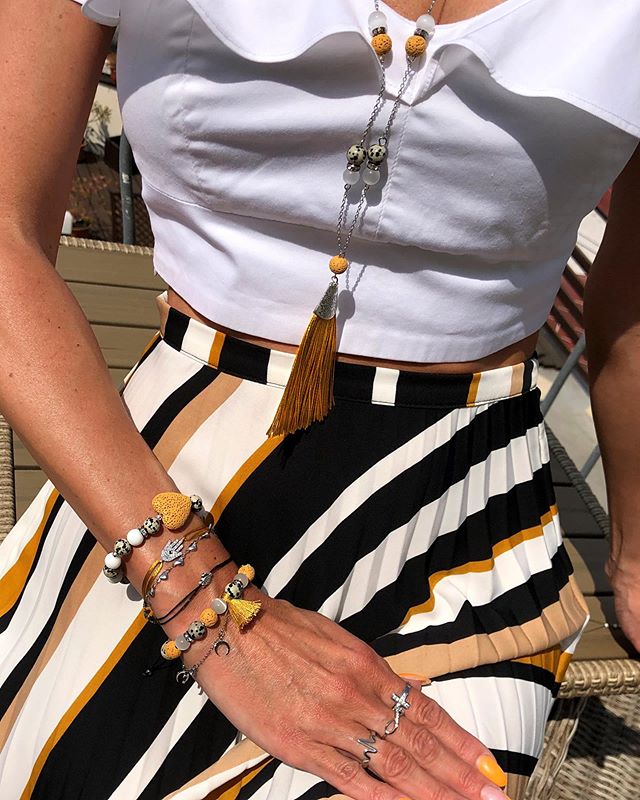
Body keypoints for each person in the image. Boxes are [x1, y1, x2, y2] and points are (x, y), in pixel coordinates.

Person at [0, 0, 638, 798]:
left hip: (466, 526)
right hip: (156, 487)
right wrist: (211, 607)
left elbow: (631, 310)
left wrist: (633, 551)